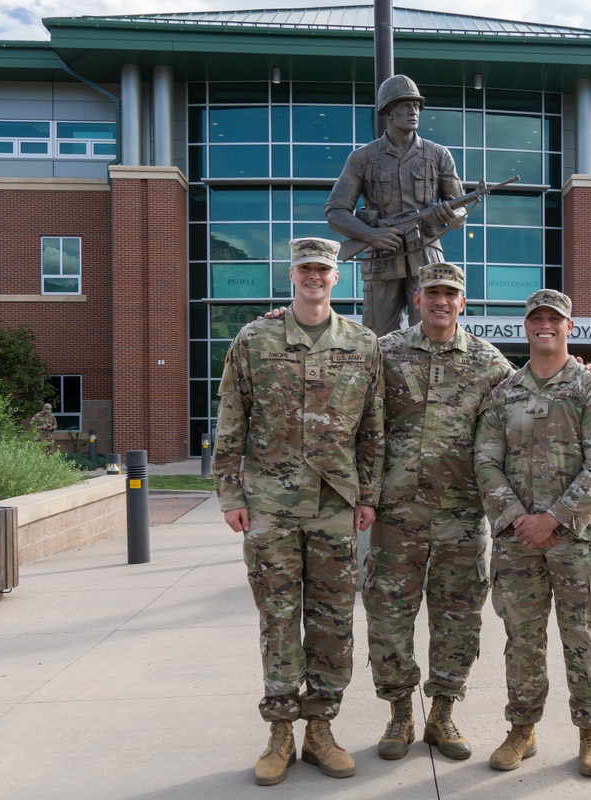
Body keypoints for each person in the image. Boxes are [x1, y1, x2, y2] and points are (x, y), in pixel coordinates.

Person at [213, 237, 385, 787]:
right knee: (279, 618)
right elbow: (231, 420)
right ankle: (280, 732)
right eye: (306, 269)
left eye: (324, 270)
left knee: (333, 621)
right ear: (292, 274)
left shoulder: (362, 344)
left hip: (335, 507)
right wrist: (231, 495)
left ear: (337, 278)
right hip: (270, 506)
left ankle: (321, 731)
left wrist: (368, 496)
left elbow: (373, 430)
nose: (314, 277)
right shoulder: (254, 339)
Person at [362, 261, 514, 762]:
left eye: (451, 293)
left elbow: (532, 399)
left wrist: (586, 372)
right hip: (395, 516)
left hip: (461, 517)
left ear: (462, 302)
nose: (441, 301)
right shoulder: (385, 353)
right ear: (418, 299)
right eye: (432, 293)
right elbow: (340, 386)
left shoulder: (490, 364)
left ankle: (444, 713)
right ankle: (400, 715)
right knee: (388, 617)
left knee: (458, 620)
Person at [473, 289, 591, 778]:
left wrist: (554, 518)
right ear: (526, 326)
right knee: (522, 639)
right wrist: (519, 517)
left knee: (582, 637)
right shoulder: (504, 392)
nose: (546, 326)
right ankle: (522, 728)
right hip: (517, 541)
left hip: (576, 543)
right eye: (537, 319)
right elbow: (484, 459)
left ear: (569, 328)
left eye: (554, 320)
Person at [325, 74, 466, 337]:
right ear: (387, 112)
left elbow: (460, 207)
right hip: (383, 258)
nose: (413, 111)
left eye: (416, 106)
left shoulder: (438, 154)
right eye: (405, 105)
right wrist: (371, 235)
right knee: (377, 336)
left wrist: (454, 216)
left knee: (429, 334)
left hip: (425, 256)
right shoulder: (362, 158)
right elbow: (335, 211)